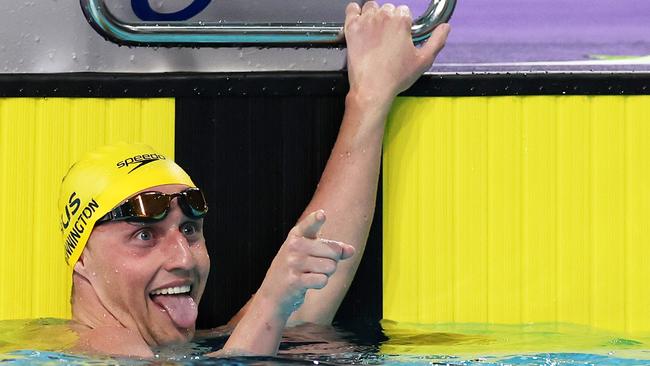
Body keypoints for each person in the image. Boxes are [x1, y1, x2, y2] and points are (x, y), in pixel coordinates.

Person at [59, 1, 450, 358]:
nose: (183, 258)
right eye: (145, 235)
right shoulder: (94, 350)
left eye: (190, 230)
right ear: (82, 258)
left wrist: (370, 97)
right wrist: (272, 301)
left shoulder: (190, 347)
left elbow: (308, 290)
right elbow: (272, 314)